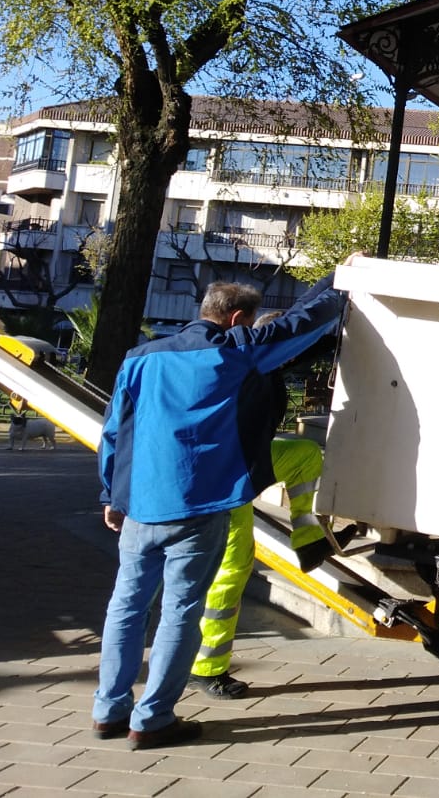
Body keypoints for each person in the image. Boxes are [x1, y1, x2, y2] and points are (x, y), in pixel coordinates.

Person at [92, 276, 347, 750]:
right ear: (236, 319)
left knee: (125, 609)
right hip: (199, 504)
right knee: (179, 613)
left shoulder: (139, 358)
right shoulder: (235, 350)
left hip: (140, 508)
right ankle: (153, 720)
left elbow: (113, 433)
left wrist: (111, 495)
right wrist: (340, 279)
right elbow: (302, 322)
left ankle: (109, 711)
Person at [188, 311, 349, 701]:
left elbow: (309, 345)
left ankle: (309, 540)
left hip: (242, 461)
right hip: (224, 479)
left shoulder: (255, 356)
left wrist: (345, 313)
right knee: (232, 567)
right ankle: (207, 667)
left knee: (305, 454)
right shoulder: (250, 363)